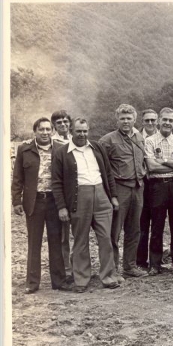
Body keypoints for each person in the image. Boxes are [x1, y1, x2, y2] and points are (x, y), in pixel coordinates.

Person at [52, 118, 120, 292]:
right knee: (80, 239)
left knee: (106, 238)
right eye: (78, 131)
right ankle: (81, 280)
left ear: (88, 130)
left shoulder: (97, 148)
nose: (82, 135)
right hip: (78, 198)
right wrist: (62, 206)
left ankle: (109, 276)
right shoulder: (61, 152)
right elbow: (57, 182)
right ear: (71, 132)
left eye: (85, 131)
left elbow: (108, 173)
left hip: (101, 196)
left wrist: (112, 196)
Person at [12, 117, 70, 294]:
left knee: (56, 240)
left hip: (55, 201)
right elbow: (17, 178)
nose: (45, 132)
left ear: (52, 131)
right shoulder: (25, 149)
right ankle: (32, 282)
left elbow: (67, 177)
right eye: (41, 129)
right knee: (34, 241)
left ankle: (59, 281)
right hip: (34, 202)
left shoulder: (61, 148)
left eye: (48, 129)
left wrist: (65, 204)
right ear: (35, 131)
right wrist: (16, 201)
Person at [99, 104, 147, 278]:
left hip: (138, 187)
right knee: (114, 231)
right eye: (122, 118)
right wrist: (110, 194)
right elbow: (102, 169)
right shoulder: (107, 140)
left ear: (135, 120)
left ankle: (130, 266)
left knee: (134, 229)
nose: (126, 121)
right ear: (117, 120)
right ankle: (112, 269)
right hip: (119, 189)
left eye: (129, 118)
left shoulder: (139, 137)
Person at [144, 107, 173, 275]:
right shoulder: (150, 141)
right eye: (165, 119)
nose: (167, 123)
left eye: (171, 120)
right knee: (157, 224)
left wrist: (162, 161)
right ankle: (155, 264)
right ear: (159, 121)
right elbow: (151, 167)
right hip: (157, 186)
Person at [50, 110, 73, 282]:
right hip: (62, 195)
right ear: (54, 126)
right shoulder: (53, 144)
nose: (63, 125)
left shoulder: (76, 139)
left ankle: (79, 266)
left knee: (79, 232)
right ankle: (66, 269)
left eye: (65, 121)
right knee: (64, 235)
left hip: (77, 193)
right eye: (59, 123)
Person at [136, 109, 159, 270]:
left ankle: (156, 261)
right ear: (142, 122)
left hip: (157, 183)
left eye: (153, 120)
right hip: (141, 184)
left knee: (158, 223)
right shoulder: (136, 137)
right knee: (141, 224)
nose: (150, 123)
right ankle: (140, 260)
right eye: (147, 120)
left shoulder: (161, 136)